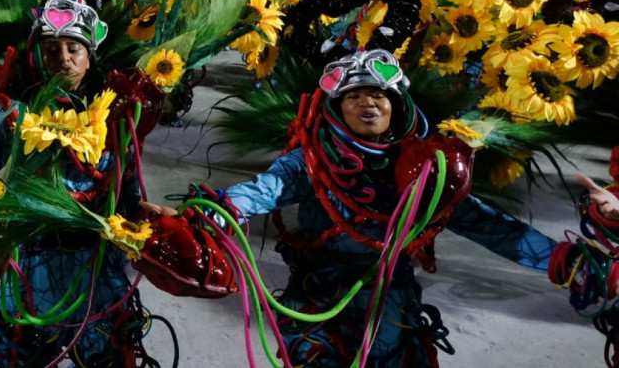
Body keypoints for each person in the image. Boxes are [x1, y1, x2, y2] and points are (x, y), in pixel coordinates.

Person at [140, 49, 560, 367]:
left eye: (378, 94)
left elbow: (488, 225)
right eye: (354, 96)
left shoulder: (426, 172)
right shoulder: (312, 161)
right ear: (337, 108)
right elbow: (260, 191)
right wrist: (215, 213)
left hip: (392, 304)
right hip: (320, 302)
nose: (368, 103)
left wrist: (564, 261)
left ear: (396, 105)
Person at [0, 0, 163, 367]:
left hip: (95, 277)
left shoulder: (116, 120)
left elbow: (127, 191)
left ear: (89, 56)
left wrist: (146, 222)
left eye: (73, 49)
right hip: (28, 273)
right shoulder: (13, 115)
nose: (62, 59)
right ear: (38, 56)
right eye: (51, 50)